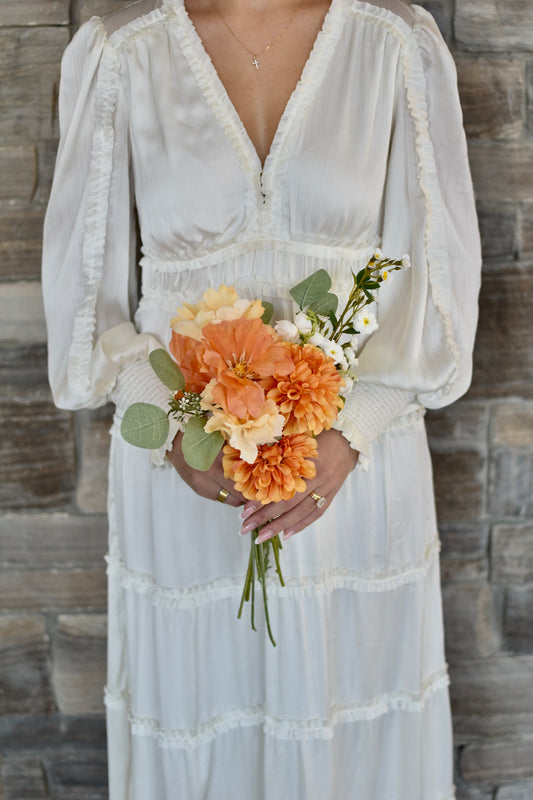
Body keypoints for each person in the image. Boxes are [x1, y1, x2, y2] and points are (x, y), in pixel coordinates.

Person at [42, 0, 481, 797]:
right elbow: (88, 301)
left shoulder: (393, 43)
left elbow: (430, 276)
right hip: (185, 474)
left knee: (351, 718)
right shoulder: (121, 52)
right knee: (199, 708)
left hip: (353, 468)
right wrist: (175, 429)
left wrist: (353, 432)